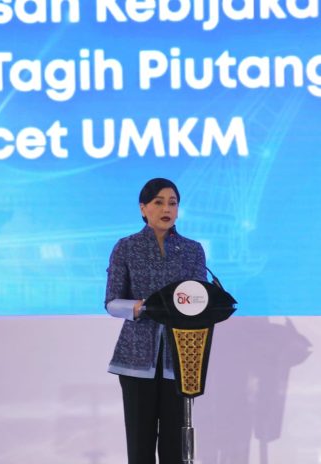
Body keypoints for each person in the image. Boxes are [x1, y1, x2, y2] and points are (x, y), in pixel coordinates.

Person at [105, 178, 207, 464]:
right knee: (140, 446)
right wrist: (140, 307)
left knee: (175, 447)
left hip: (181, 358)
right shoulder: (126, 247)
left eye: (172, 203)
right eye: (159, 202)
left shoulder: (192, 250)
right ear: (143, 208)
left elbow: (199, 299)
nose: (167, 209)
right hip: (136, 358)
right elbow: (111, 302)